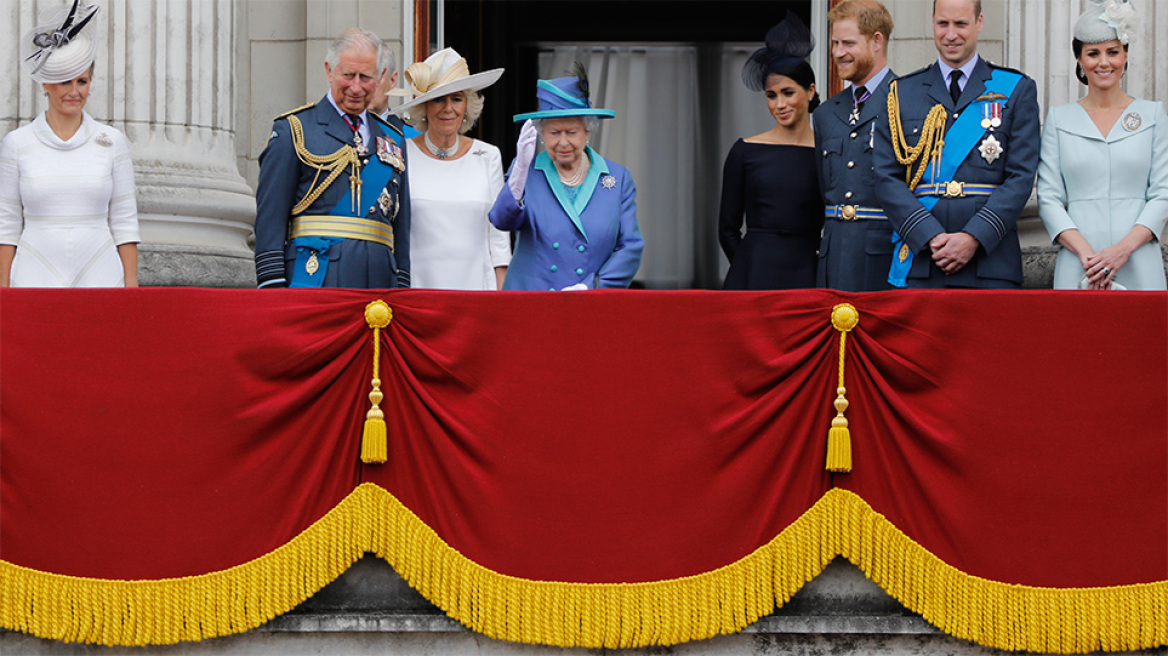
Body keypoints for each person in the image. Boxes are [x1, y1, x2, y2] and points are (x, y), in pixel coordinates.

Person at [874, 0, 1040, 288]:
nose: (951, 34)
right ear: (933, 23)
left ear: (979, 23)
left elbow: (1021, 177)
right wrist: (929, 235)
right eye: (943, 24)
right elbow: (886, 177)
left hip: (990, 260)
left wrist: (974, 236)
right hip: (924, 258)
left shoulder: (1016, 89)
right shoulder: (902, 93)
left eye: (961, 24)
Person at [253, 29, 410, 289]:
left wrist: (402, 285)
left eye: (366, 77)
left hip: (381, 282)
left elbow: (400, 230)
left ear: (381, 77)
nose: (356, 87)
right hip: (315, 279)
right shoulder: (295, 129)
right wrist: (272, 286)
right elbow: (270, 219)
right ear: (329, 71)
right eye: (348, 75)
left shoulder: (393, 139)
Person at [0, 0, 139, 288]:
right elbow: (7, 224)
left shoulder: (112, 142)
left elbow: (125, 222)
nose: (74, 92)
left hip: (101, 273)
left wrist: (131, 288)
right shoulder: (17, 143)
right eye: (65, 82)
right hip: (32, 275)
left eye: (82, 81)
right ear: (46, 85)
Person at [1037, 0, 1166, 291]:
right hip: (1079, 262)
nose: (1103, 62)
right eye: (1093, 53)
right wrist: (1087, 254)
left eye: (1113, 52)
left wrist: (1121, 250)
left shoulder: (1152, 115)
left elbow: (1162, 193)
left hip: (1138, 259)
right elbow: (1048, 197)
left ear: (1125, 55)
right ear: (1080, 60)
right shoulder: (1059, 119)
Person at [490, 65, 643, 290]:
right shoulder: (526, 172)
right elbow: (502, 221)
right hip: (531, 303)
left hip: (591, 303)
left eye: (571, 132)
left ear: (587, 131)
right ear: (541, 133)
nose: (563, 142)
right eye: (554, 133)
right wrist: (519, 171)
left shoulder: (617, 178)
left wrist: (595, 285)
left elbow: (630, 246)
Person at [718, 12, 825, 290]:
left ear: (810, 91)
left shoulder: (827, 153)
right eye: (771, 95)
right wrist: (748, 266)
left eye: (788, 92)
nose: (779, 104)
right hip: (752, 279)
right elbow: (727, 230)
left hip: (809, 278)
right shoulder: (745, 151)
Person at [393, 48, 510, 290]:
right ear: (424, 106)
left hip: (477, 291)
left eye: (456, 98)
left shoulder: (488, 156)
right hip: (419, 291)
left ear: (467, 105)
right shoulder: (402, 154)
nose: (448, 108)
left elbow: (499, 237)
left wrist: (502, 299)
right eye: (438, 99)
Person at [815, 0, 896, 292]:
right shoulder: (826, 113)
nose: (837, 52)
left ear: (876, 41)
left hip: (884, 262)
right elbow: (823, 190)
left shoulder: (907, 102)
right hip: (833, 261)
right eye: (835, 43)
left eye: (847, 43)